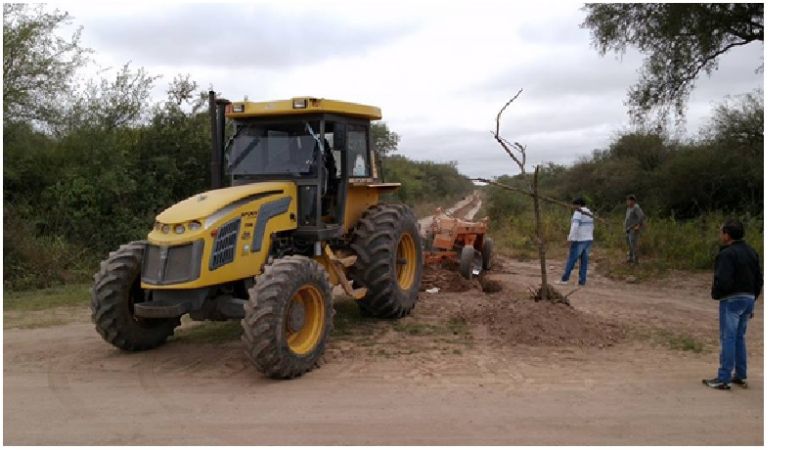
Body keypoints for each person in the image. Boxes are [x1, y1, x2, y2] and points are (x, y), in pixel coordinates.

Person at [702, 218, 763, 390]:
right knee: (739, 337)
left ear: (727, 235)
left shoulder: (727, 254)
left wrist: (717, 294)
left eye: (722, 232)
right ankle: (741, 375)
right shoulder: (752, 252)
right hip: (748, 298)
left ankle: (723, 378)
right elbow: (759, 278)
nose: (720, 235)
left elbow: (723, 280)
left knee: (727, 337)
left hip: (731, 299)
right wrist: (753, 297)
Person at [557, 197, 594, 286]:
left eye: (574, 205)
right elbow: (592, 226)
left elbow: (574, 227)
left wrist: (570, 238)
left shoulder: (578, 212)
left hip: (579, 239)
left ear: (578, 205)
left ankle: (564, 279)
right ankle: (582, 281)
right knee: (584, 261)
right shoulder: (590, 213)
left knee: (572, 259)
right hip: (588, 239)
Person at [624, 195, 645, 264]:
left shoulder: (636, 208)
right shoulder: (629, 208)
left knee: (633, 245)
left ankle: (635, 261)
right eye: (627, 200)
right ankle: (630, 258)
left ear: (633, 201)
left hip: (633, 229)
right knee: (629, 244)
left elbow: (642, 216)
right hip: (628, 229)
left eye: (629, 200)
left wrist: (637, 225)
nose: (627, 202)